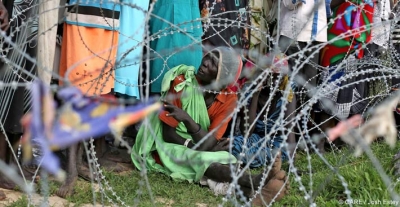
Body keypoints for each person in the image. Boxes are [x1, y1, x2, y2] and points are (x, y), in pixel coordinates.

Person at [132, 47, 288, 205]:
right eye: (208, 57)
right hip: (166, 146)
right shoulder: (182, 83)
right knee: (204, 158)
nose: (205, 62)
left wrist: (189, 121)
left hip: (196, 145)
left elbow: (208, 143)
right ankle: (256, 180)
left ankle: (253, 195)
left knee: (227, 158)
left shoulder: (228, 99)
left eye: (213, 63)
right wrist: (202, 146)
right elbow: (169, 135)